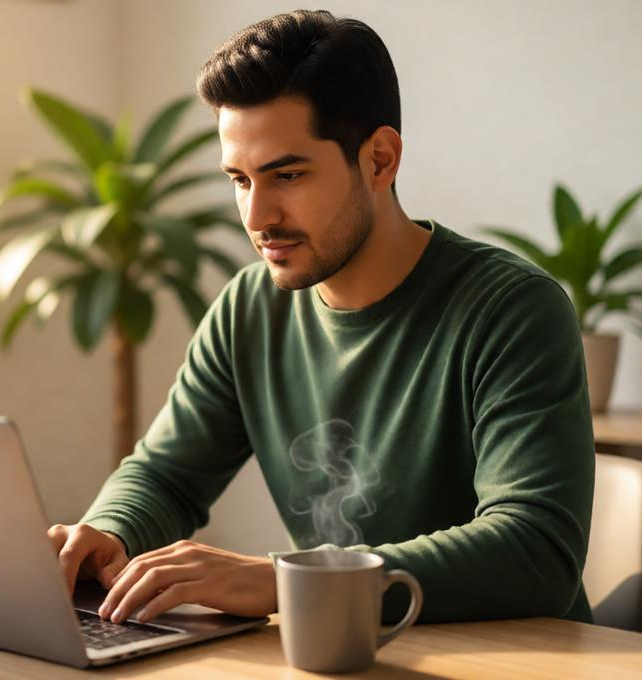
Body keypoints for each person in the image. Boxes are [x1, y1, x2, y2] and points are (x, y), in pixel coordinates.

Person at [48, 9, 595, 627]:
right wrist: (107, 532)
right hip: (340, 654)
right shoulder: (249, 309)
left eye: (288, 175)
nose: (257, 217)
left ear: (380, 160)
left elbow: (535, 551)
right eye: (239, 179)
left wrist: (284, 580)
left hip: (510, 661)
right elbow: (168, 475)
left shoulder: (512, 310)